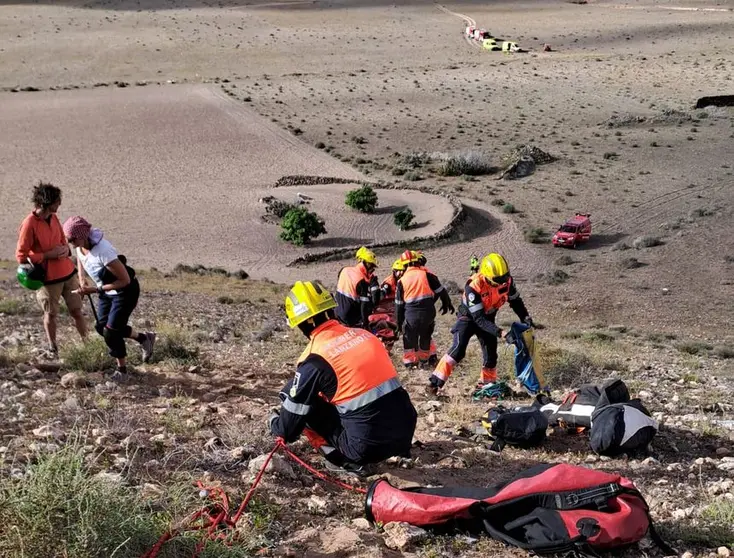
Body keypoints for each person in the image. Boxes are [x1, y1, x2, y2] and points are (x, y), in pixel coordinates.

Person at [270, 280, 417, 474]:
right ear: (330, 309)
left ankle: (342, 461)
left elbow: (287, 431)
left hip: (364, 448)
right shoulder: (365, 335)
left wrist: (275, 424)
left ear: (304, 322)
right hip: (405, 433)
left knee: (295, 395)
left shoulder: (314, 359)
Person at [62, 216, 156, 379]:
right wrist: (82, 279)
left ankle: (122, 371)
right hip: (105, 291)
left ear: (82, 235)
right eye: (67, 239)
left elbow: (124, 280)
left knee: (111, 331)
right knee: (101, 327)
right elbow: (80, 260)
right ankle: (144, 338)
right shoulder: (81, 245)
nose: (70, 242)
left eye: (72, 239)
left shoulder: (103, 251)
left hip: (125, 292)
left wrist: (94, 290)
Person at [428, 253, 534, 395]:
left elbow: (516, 302)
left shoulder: (507, 282)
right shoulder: (473, 287)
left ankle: (487, 386)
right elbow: (479, 319)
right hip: (468, 318)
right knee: (458, 350)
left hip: (488, 318)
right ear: (486, 276)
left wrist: (525, 318)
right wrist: (502, 333)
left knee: (491, 353)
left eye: (504, 278)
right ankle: (434, 383)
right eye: (497, 280)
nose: (502, 283)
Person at [16, 182, 87, 355]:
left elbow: (61, 238)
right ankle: (52, 346)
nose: (59, 204)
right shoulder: (29, 224)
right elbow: (21, 256)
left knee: (77, 311)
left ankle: (87, 343)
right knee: (51, 314)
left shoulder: (54, 217)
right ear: (45, 203)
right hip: (48, 278)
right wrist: (48, 255)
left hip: (68, 273)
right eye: (56, 201)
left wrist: (65, 249)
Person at [396, 250, 454, 368]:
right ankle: (424, 360)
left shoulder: (401, 281)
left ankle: (410, 362)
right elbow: (441, 291)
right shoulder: (426, 274)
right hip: (428, 312)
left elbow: (399, 305)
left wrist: (398, 323)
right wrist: (447, 303)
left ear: (404, 265)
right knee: (425, 335)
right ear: (417, 261)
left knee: (409, 337)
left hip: (411, 314)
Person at [334, 246, 380, 328]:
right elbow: (364, 306)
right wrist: (365, 324)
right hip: (350, 318)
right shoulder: (362, 280)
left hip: (336, 313)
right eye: (370, 265)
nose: (372, 269)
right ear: (362, 261)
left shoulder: (344, 270)